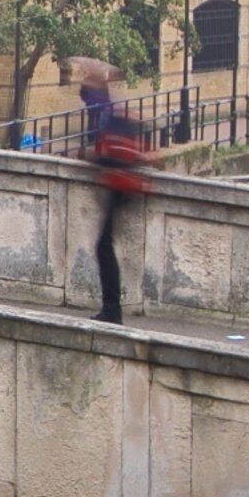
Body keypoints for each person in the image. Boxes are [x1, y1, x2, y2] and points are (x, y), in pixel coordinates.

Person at [77, 59, 147, 324]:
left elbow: (113, 155)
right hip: (121, 186)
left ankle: (112, 309)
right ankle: (111, 308)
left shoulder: (109, 113)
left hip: (120, 186)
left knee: (104, 247)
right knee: (104, 245)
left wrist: (91, 158)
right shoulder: (111, 110)